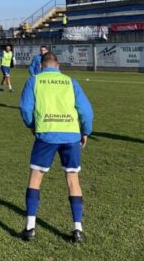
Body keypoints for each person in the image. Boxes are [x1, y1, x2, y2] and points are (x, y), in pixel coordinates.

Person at [19, 52, 93, 243]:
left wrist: (32, 126)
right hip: (71, 135)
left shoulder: (34, 80)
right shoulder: (70, 81)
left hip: (47, 134)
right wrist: (85, 131)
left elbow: (26, 109)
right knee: (72, 178)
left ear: (42, 66)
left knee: (36, 177)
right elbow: (85, 110)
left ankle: (30, 228)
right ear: (58, 66)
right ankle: (78, 229)